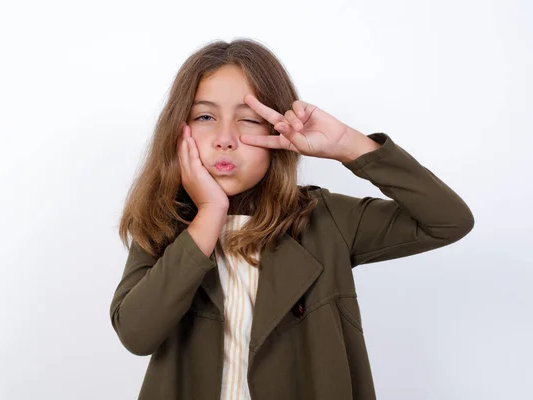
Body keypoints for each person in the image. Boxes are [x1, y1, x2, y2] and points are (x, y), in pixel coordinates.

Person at [109, 38, 474, 400]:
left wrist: (350, 145)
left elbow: (447, 221)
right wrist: (209, 213)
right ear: (178, 130)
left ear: (277, 128)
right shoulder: (164, 223)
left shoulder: (325, 220)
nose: (225, 138)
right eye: (205, 117)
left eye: (249, 119)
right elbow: (137, 334)